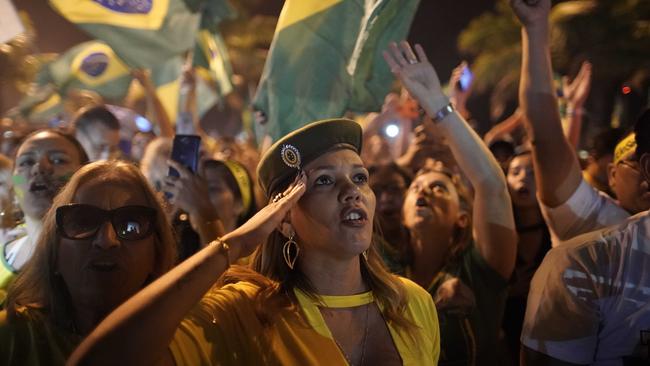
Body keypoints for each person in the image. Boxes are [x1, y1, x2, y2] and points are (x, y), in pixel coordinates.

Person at [69, 118, 440, 365]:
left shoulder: (413, 302)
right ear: (283, 219)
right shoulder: (244, 312)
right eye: (324, 181)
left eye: (360, 178)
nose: (351, 192)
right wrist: (232, 244)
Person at [384, 42, 517, 365]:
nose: (424, 192)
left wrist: (437, 103)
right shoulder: (381, 270)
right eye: (416, 187)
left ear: (462, 217)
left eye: (440, 188)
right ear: (401, 213)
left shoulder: (480, 269)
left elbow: (491, 184)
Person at [0, 160, 176, 365]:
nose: (106, 241)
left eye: (131, 225)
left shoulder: (186, 338)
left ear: (158, 252)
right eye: (83, 222)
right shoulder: (11, 340)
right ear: (54, 252)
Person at [511, 0, 649, 246]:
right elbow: (544, 137)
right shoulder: (593, 221)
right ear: (613, 176)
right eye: (638, 163)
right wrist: (535, 30)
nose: (648, 174)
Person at [0, 130, 88, 304]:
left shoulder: (101, 255)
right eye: (26, 162)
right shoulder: (3, 257)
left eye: (58, 160)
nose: (39, 168)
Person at [502, 149, 551, 362]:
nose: (523, 177)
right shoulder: (497, 231)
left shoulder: (557, 231)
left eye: (532, 172)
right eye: (516, 172)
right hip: (505, 337)